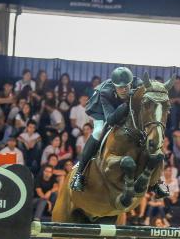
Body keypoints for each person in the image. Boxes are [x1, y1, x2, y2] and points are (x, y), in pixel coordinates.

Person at [70, 67, 168, 198]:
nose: (124, 90)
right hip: (104, 111)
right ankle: (79, 174)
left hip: (128, 111)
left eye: (126, 87)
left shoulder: (138, 84)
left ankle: (157, 182)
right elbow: (111, 119)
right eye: (120, 87)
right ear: (114, 85)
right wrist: (127, 103)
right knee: (98, 132)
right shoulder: (106, 92)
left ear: (130, 83)